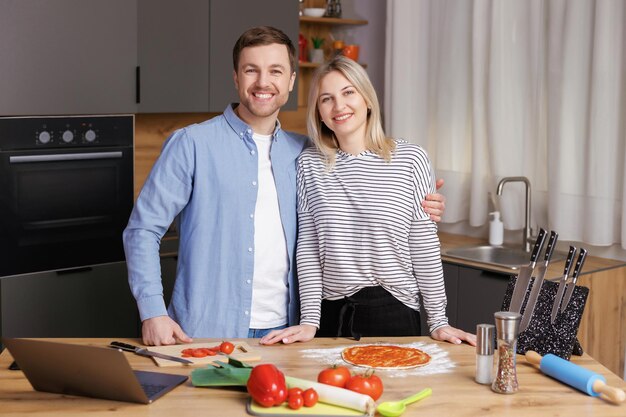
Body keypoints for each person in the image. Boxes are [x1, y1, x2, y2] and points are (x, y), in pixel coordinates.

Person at [123, 26, 447, 346]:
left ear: (291, 81)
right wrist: (152, 312)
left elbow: (353, 205)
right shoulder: (192, 144)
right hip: (206, 329)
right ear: (236, 78)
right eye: (252, 70)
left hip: (285, 334)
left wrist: (420, 200)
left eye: (275, 71)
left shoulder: (303, 153)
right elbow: (143, 230)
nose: (263, 82)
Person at [261, 56, 475, 347]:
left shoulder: (411, 159)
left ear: (367, 99)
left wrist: (438, 319)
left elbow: (423, 244)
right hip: (331, 314)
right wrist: (310, 319)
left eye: (348, 92)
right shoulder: (309, 164)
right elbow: (309, 247)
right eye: (327, 99)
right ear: (319, 113)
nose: (339, 106)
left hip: (395, 311)